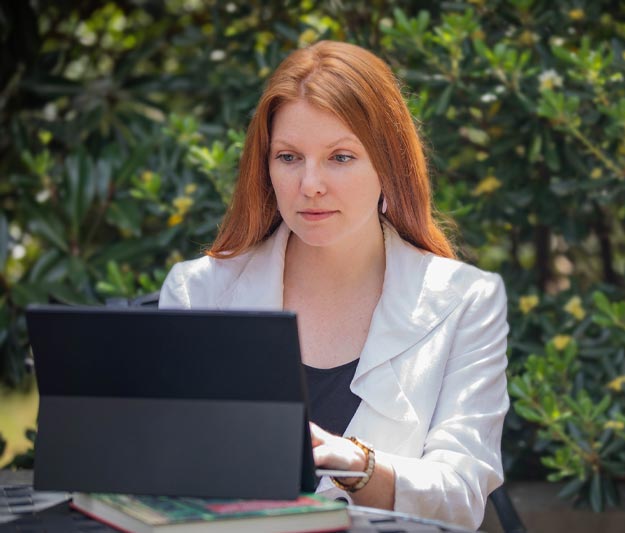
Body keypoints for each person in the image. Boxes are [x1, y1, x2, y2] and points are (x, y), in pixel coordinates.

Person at [159, 40, 509, 529]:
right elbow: (169, 469)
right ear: (266, 167)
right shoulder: (199, 292)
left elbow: (461, 495)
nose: (311, 184)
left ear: (389, 165)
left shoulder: (467, 301)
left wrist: (357, 464)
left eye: (341, 157)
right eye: (288, 157)